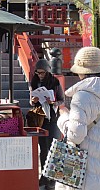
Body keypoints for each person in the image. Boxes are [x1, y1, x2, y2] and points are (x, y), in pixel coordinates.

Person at [56, 47, 100, 190]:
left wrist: (63, 117)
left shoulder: (82, 96)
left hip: (85, 176)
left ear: (82, 71)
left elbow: (75, 136)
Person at [29, 59, 64, 190]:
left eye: (42, 73)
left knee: (52, 149)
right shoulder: (34, 81)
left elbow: (61, 100)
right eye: (38, 73)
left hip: (52, 118)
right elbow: (31, 101)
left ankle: (52, 179)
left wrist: (52, 102)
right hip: (39, 117)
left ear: (48, 71)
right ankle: (44, 176)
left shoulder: (55, 82)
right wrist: (34, 100)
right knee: (43, 149)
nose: (40, 75)